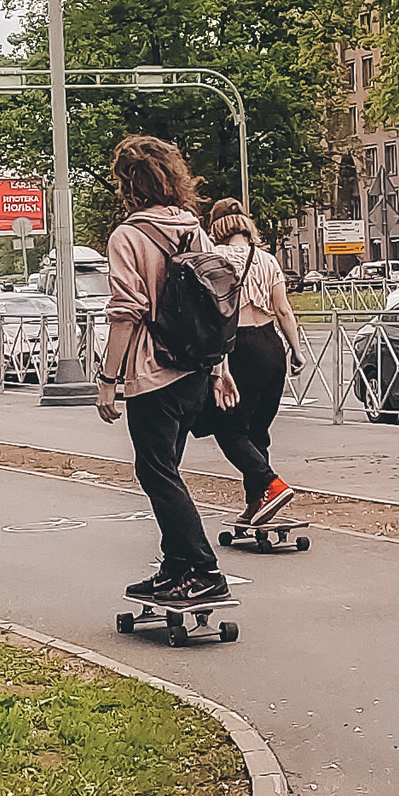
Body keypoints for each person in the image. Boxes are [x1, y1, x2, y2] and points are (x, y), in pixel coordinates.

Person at [94, 135, 233, 609]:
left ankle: (201, 568)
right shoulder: (195, 229)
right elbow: (218, 306)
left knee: (155, 472)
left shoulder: (127, 237)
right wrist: (218, 368)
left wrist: (108, 379)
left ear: (127, 183)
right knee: (166, 467)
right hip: (194, 368)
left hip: (153, 372)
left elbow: (127, 311)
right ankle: (174, 567)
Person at [203, 199, 309, 527]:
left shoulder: (213, 260)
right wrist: (297, 350)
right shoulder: (267, 260)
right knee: (258, 430)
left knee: (227, 427)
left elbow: (210, 314)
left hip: (238, 349)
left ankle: (271, 484)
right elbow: (284, 310)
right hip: (271, 347)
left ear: (217, 227)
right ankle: (256, 503)